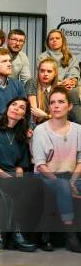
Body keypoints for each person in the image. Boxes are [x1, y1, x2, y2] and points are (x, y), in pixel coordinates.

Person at [0, 97, 40, 252]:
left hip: (13, 177)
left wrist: (17, 178)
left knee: (36, 186)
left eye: (21, 108)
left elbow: (21, 165)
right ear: (7, 107)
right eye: (13, 104)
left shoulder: (20, 135)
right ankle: (16, 233)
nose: (16, 108)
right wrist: (9, 178)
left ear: (23, 115)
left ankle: (31, 235)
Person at [31, 87, 81, 253]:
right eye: (52, 102)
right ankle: (70, 235)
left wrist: (73, 181)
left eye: (61, 102)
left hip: (71, 175)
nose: (56, 106)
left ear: (70, 106)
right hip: (46, 177)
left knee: (67, 184)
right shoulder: (41, 131)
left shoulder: (78, 130)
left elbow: (80, 161)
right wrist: (65, 183)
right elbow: (40, 165)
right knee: (62, 185)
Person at [38, 29, 81, 121]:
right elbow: (43, 76)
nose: (54, 40)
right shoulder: (43, 56)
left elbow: (74, 72)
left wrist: (72, 81)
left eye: (57, 38)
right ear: (48, 42)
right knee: (72, 93)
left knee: (74, 91)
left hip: (69, 86)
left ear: (63, 40)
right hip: (52, 85)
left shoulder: (71, 57)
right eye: (51, 39)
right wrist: (60, 83)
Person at [25, 57, 59, 125]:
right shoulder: (32, 82)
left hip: (52, 125)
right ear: (38, 71)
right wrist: (49, 117)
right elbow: (34, 111)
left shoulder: (57, 89)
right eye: (42, 71)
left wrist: (46, 116)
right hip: (34, 124)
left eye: (49, 71)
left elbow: (59, 117)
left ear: (55, 73)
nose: (45, 74)